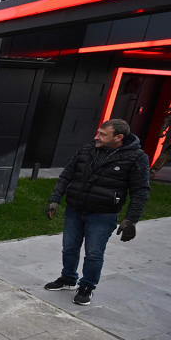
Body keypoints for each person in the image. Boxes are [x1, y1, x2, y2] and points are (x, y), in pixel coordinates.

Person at [44, 118, 150, 306]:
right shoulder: (87, 149)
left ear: (118, 137)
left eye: (102, 134)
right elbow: (67, 174)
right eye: (98, 132)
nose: (96, 136)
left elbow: (140, 191)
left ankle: (87, 286)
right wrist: (54, 199)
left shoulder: (136, 157)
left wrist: (131, 220)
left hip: (103, 215)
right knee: (69, 247)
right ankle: (68, 278)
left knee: (93, 253)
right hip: (75, 209)